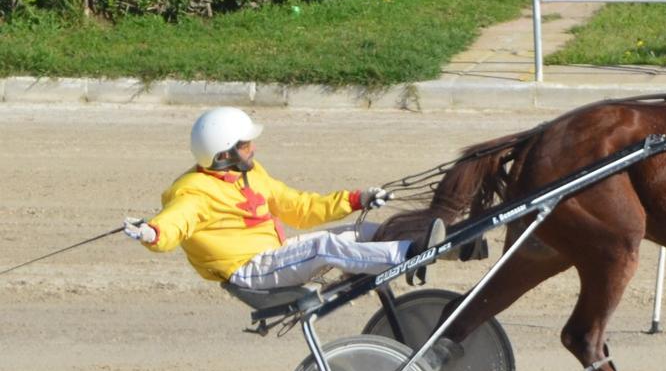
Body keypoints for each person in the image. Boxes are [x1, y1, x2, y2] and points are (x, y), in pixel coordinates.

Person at [123, 107, 443, 290]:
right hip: (250, 270)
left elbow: (299, 208)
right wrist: (152, 232)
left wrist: (356, 199)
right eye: (246, 145)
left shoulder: (249, 174)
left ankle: (448, 246)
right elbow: (176, 220)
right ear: (224, 154)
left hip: (274, 255)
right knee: (323, 248)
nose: (254, 148)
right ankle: (409, 255)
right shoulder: (194, 190)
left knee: (363, 232)